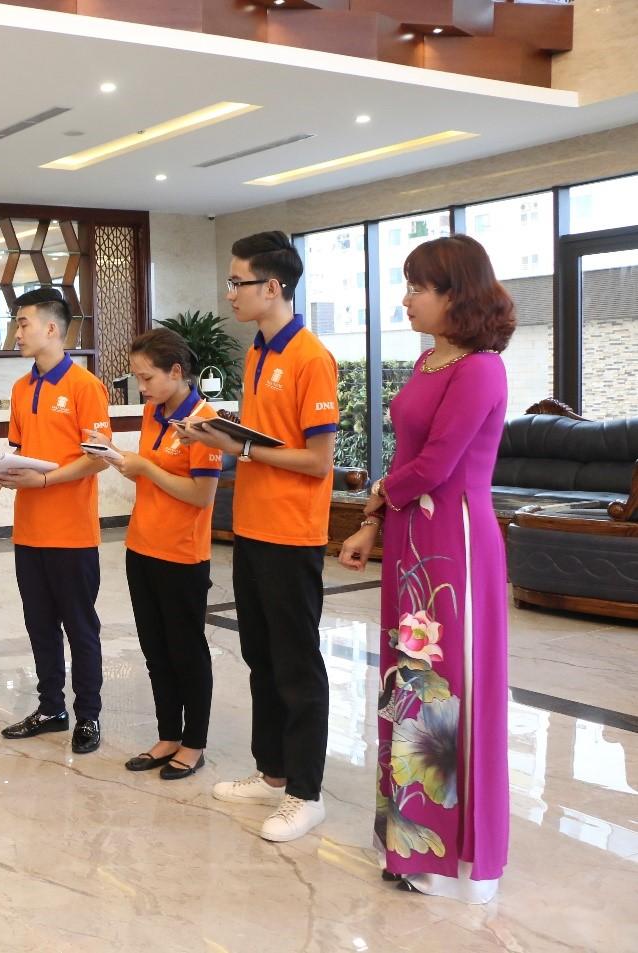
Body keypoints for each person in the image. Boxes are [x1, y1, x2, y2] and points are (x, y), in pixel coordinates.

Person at [339, 234, 514, 903]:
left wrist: (380, 494)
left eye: (419, 287)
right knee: (409, 683)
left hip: (455, 542)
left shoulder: (481, 369)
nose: (407, 299)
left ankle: (452, 858)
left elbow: (439, 463)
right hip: (414, 536)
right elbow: (409, 459)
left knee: (447, 687)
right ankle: (411, 837)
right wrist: (375, 520)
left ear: (456, 294)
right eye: (409, 285)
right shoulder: (428, 361)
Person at [182, 231, 338, 841]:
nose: (230, 294)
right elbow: (265, 436)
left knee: (296, 663)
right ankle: (273, 772)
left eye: (237, 282)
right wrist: (223, 435)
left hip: (292, 532)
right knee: (261, 656)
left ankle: (306, 792)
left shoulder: (310, 357)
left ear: (272, 287)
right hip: (251, 525)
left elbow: (318, 460)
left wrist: (240, 447)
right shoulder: (257, 351)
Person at [95, 328, 222, 781]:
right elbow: (148, 476)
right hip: (142, 546)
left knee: (186, 650)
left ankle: (194, 743)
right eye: (137, 378)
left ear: (176, 371)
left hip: (182, 555)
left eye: (147, 378)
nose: (142, 387)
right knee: (154, 649)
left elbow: (201, 495)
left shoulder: (204, 423)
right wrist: (117, 458)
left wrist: (145, 466)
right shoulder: (155, 413)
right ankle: (168, 734)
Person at [0, 287, 111, 754]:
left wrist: (43, 481)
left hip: (72, 532)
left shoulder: (85, 386)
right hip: (29, 532)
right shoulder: (21, 389)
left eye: (23, 323)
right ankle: (50, 708)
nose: (17, 333)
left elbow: (98, 458)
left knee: (80, 628)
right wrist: (3, 474)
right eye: (16, 324)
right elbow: (22, 450)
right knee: (39, 626)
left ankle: (89, 716)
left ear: (52, 328)